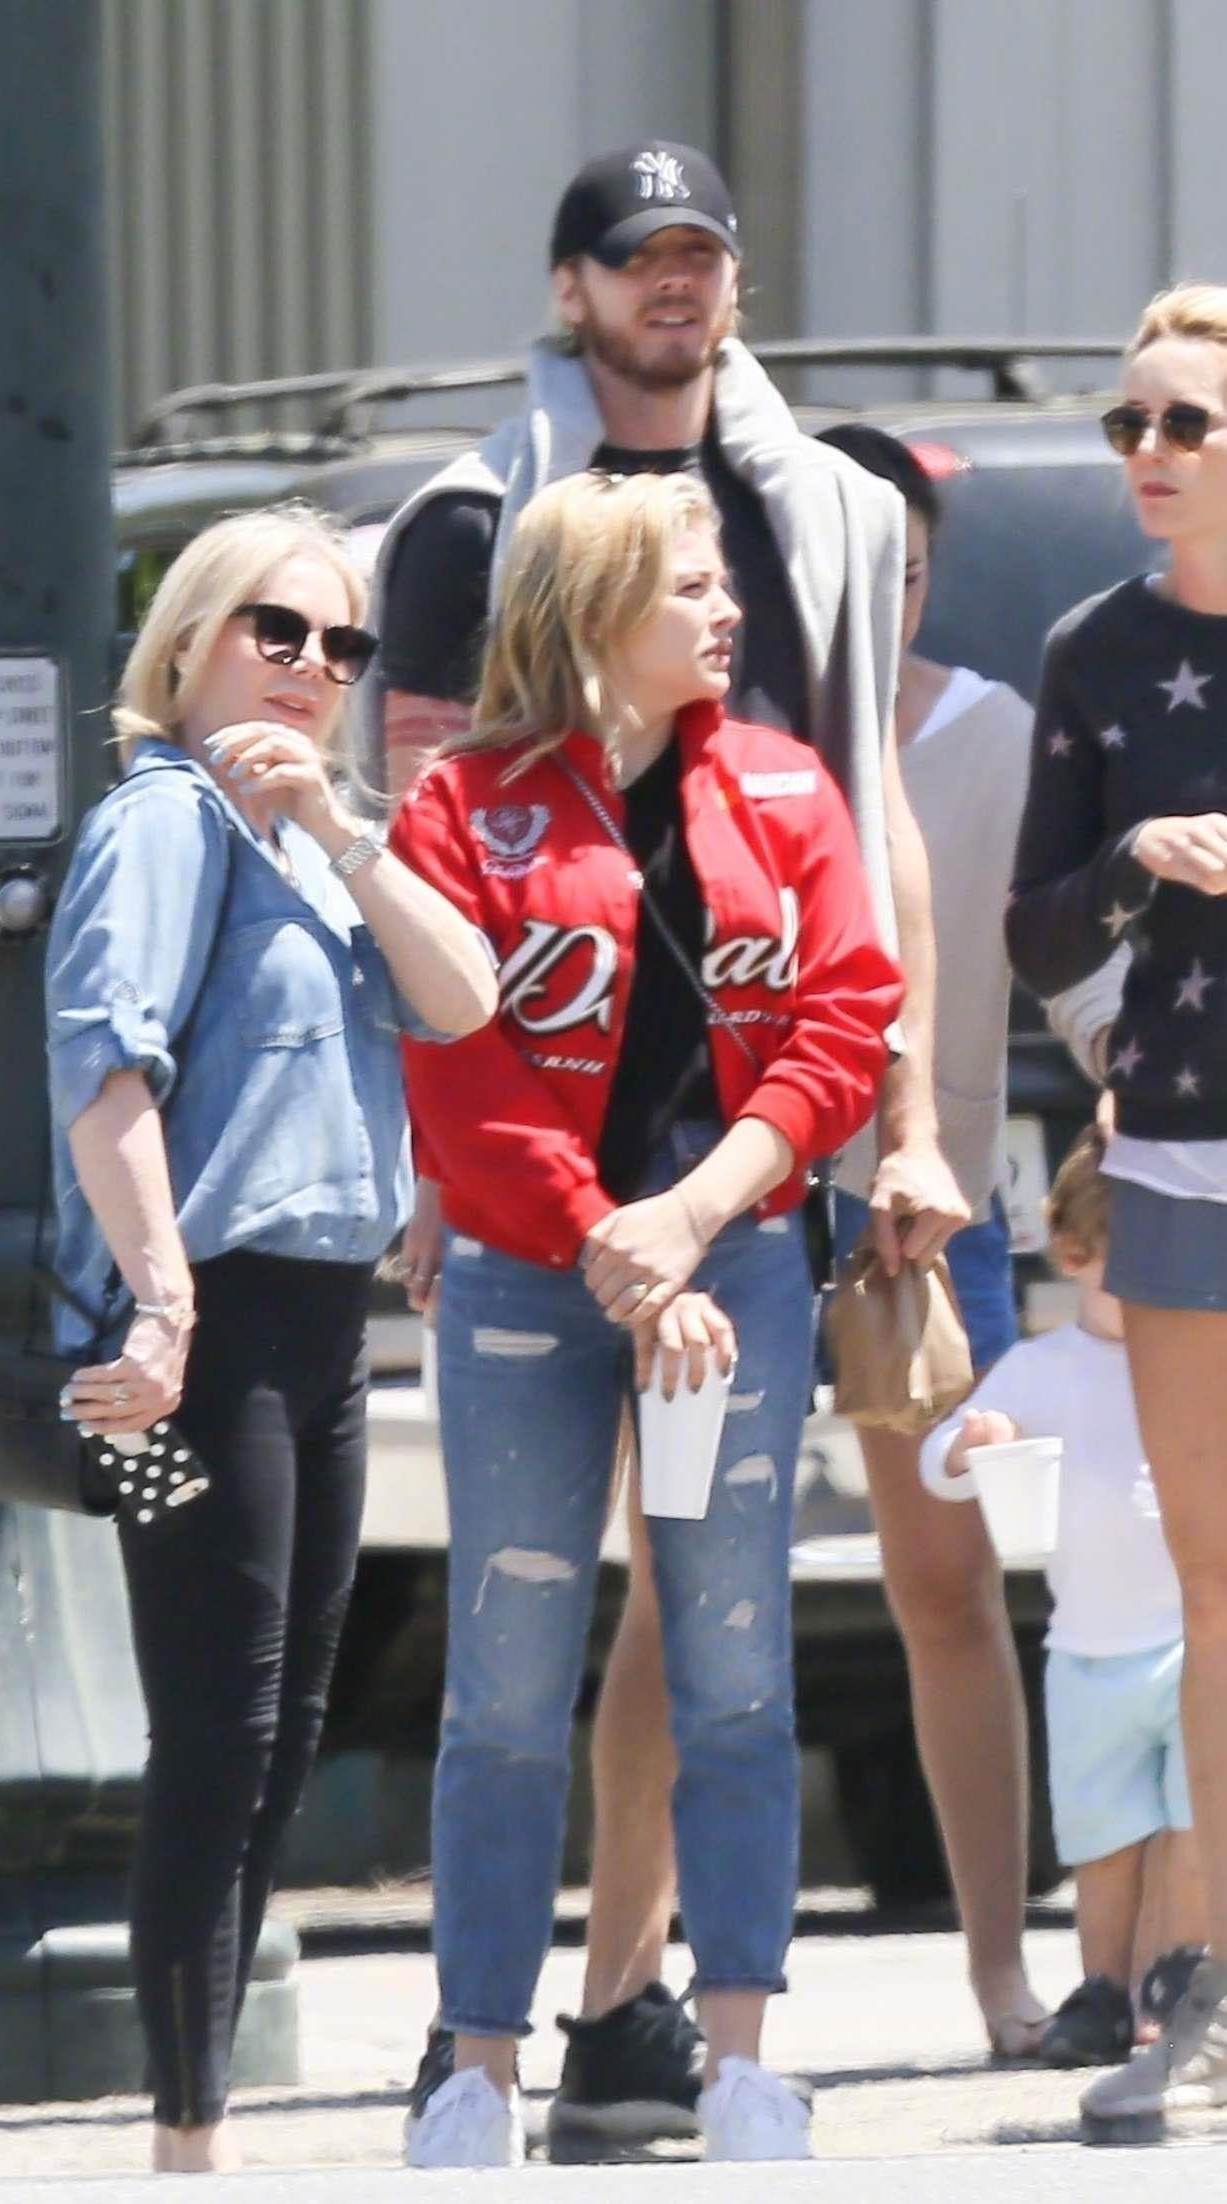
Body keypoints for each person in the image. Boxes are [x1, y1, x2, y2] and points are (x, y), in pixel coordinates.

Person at [371, 138, 969, 2142]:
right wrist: (601, 1242)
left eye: (723, 579)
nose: (728, 612)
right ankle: (475, 2063)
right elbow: (459, 1061)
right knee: (506, 1668)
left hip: (734, 1276)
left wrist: (699, 1217)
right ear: (602, 603)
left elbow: (845, 1011)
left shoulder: (786, 785)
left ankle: (741, 2060)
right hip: (536, 1277)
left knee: (733, 1663)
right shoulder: (466, 803)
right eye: (694, 590)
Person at [44, 507, 496, 2174]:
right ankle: (189, 2140)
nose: (313, 667)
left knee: (280, 1738)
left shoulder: (298, 832)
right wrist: (162, 1304)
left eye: (342, 645)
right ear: (188, 642)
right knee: (218, 1735)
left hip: (319, 1328)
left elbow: (467, 995)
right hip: (205, 1325)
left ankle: (203, 2116)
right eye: (277, 631)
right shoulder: (162, 821)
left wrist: (337, 820)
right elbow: (107, 1078)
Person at [1007, 281, 1227, 2132]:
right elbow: (1031, 929)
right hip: (1172, 1154)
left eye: (1183, 424)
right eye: (1126, 424)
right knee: (1209, 1591)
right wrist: (1135, 865)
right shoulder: (1092, 650)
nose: (1145, 453)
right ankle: (1201, 1990)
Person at [813, 423, 1049, 2055]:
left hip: (926, 1205)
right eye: (838, 570)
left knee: (949, 1586)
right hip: (738, 1209)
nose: (870, 603)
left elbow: (1076, 961)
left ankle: (1001, 1974)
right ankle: (642, 1993)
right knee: (680, 1598)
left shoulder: (995, 737)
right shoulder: (715, 737)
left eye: (897, 573)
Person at [922, 1128, 1204, 2067]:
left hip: (1193, 1642)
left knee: (1192, 1822)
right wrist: (974, 1444)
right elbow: (940, 1455)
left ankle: (1175, 1980)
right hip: (1087, 1649)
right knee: (1103, 1835)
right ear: (1074, 1253)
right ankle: (1103, 1990)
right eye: (1138, 1257)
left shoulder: (1199, 1358)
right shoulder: (1042, 1369)